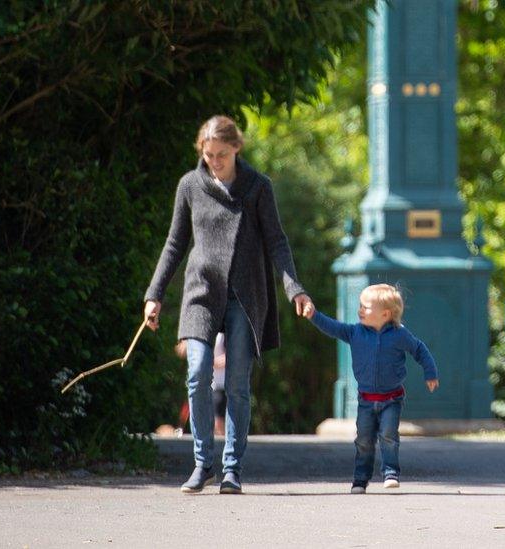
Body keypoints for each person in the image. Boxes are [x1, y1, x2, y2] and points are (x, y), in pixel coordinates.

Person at [143, 115, 314, 495]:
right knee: (198, 372)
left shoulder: (257, 187)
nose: (215, 162)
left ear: (237, 148)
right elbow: (175, 244)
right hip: (202, 291)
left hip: (245, 292)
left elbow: (277, 242)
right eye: (208, 155)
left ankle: (232, 468)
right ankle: (202, 463)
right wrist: (154, 294)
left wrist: (295, 290)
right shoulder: (190, 185)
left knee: (236, 384)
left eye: (221, 154)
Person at [306, 284, 439, 494]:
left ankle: (390, 473)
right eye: (360, 305)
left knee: (388, 435)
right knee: (364, 440)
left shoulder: (398, 335)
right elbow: (333, 327)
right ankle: (360, 479)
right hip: (366, 400)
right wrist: (314, 315)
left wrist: (430, 373)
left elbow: (419, 349)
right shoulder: (355, 332)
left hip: (392, 399)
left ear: (385, 314)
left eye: (365, 307)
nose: (360, 310)